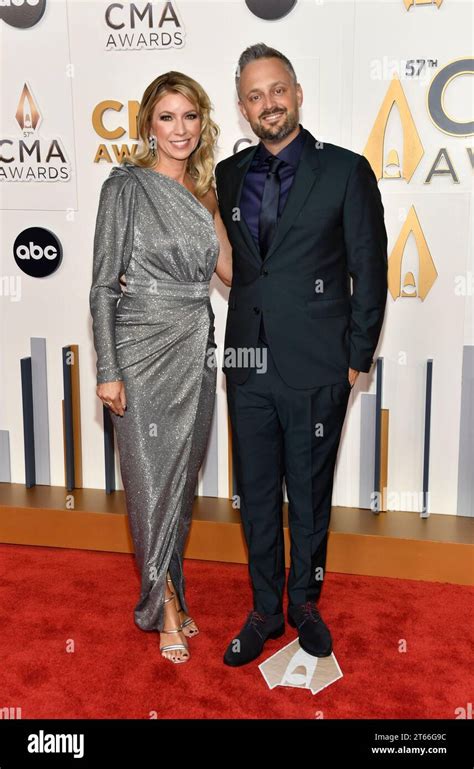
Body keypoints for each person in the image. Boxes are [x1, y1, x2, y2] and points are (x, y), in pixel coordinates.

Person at [215, 44, 388, 667]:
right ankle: (264, 610)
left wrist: (356, 358)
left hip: (320, 366)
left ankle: (305, 604)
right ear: (242, 107)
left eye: (278, 90)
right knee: (256, 495)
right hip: (247, 366)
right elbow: (236, 269)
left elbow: (370, 270)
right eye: (255, 96)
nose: (269, 104)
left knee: (310, 497)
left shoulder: (345, 170)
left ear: (298, 92)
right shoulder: (229, 177)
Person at [89, 71, 232, 664]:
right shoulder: (124, 187)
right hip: (139, 347)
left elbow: (229, 275)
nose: (180, 129)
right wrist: (108, 367)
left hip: (196, 342)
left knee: (178, 481)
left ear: (204, 123)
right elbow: (101, 284)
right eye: (168, 117)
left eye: (190, 116)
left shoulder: (207, 195)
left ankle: (172, 587)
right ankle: (163, 603)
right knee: (149, 483)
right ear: (149, 122)